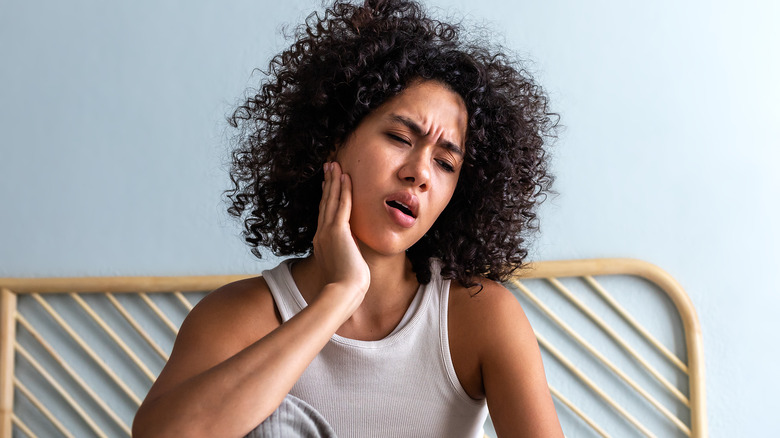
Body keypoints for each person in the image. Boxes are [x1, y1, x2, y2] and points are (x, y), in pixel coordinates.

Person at [132, 0, 563, 436]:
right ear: (332, 139)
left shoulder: (477, 316)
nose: (420, 173)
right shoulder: (240, 315)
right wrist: (340, 295)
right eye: (399, 137)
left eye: (446, 164)